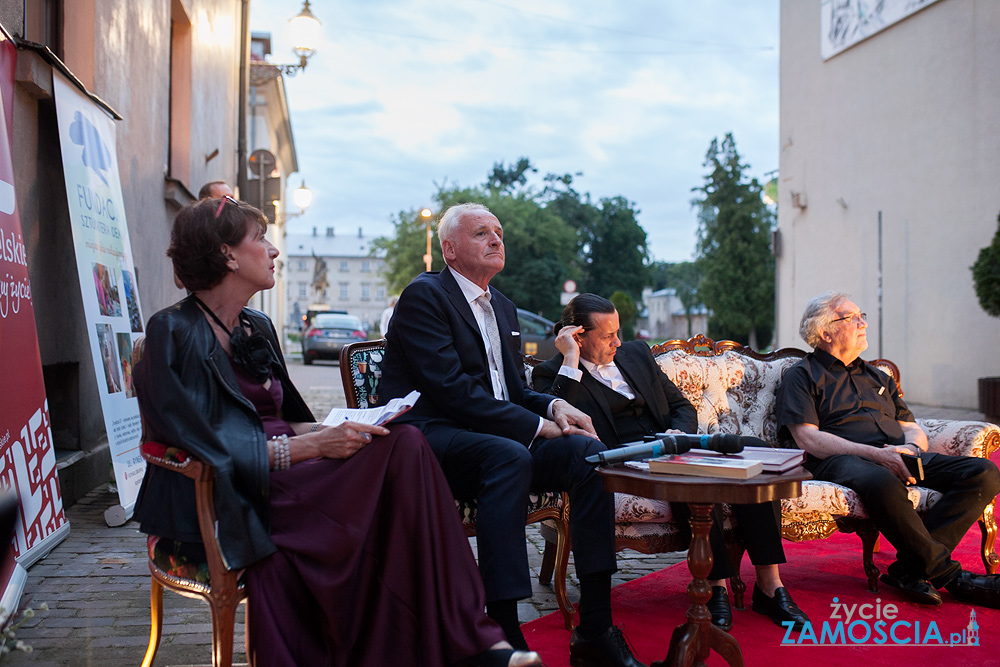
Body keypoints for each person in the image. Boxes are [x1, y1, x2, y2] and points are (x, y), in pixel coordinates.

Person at [133, 196, 541, 667]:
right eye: (260, 239)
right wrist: (311, 446)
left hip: (293, 467)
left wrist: (348, 426)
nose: (274, 251)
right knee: (402, 467)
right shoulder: (173, 331)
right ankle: (467, 644)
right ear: (227, 254)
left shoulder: (257, 326)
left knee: (404, 441)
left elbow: (292, 414)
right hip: (233, 489)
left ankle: (474, 638)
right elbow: (199, 442)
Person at [377, 204, 645, 667]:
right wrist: (539, 426)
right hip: (429, 437)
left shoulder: (500, 304)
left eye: (498, 232)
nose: (497, 240)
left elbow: (514, 389)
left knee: (589, 455)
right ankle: (502, 629)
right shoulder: (425, 296)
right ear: (450, 250)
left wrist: (557, 405)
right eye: (481, 233)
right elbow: (454, 392)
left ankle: (596, 627)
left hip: (489, 435)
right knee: (509, 456)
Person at [533, 294, 811, 633]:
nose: (617, 342)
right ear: (577, 336)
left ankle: (771, 586)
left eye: (618, 331)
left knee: (753, 454)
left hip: (674, 440)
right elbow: (566, 419)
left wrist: (679, 432)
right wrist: (571, 360)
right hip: (625, 457)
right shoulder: (552, 373)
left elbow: (680, 404)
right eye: (608, 336)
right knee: (680, 472)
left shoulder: (635, 354)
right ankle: (716, 587)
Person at [777, 291, 1000, 608]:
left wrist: (911, 449)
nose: (862, 323)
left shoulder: (877, 375)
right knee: (882, 480)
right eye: (852, 317)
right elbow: (808, 439)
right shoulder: (803, 376)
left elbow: (909, 424)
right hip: (840, 460)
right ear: (825, 332)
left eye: (862, 315)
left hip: (896, 455)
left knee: (982, 473)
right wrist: (876, 455)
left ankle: (910, 570)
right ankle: (952, 578)